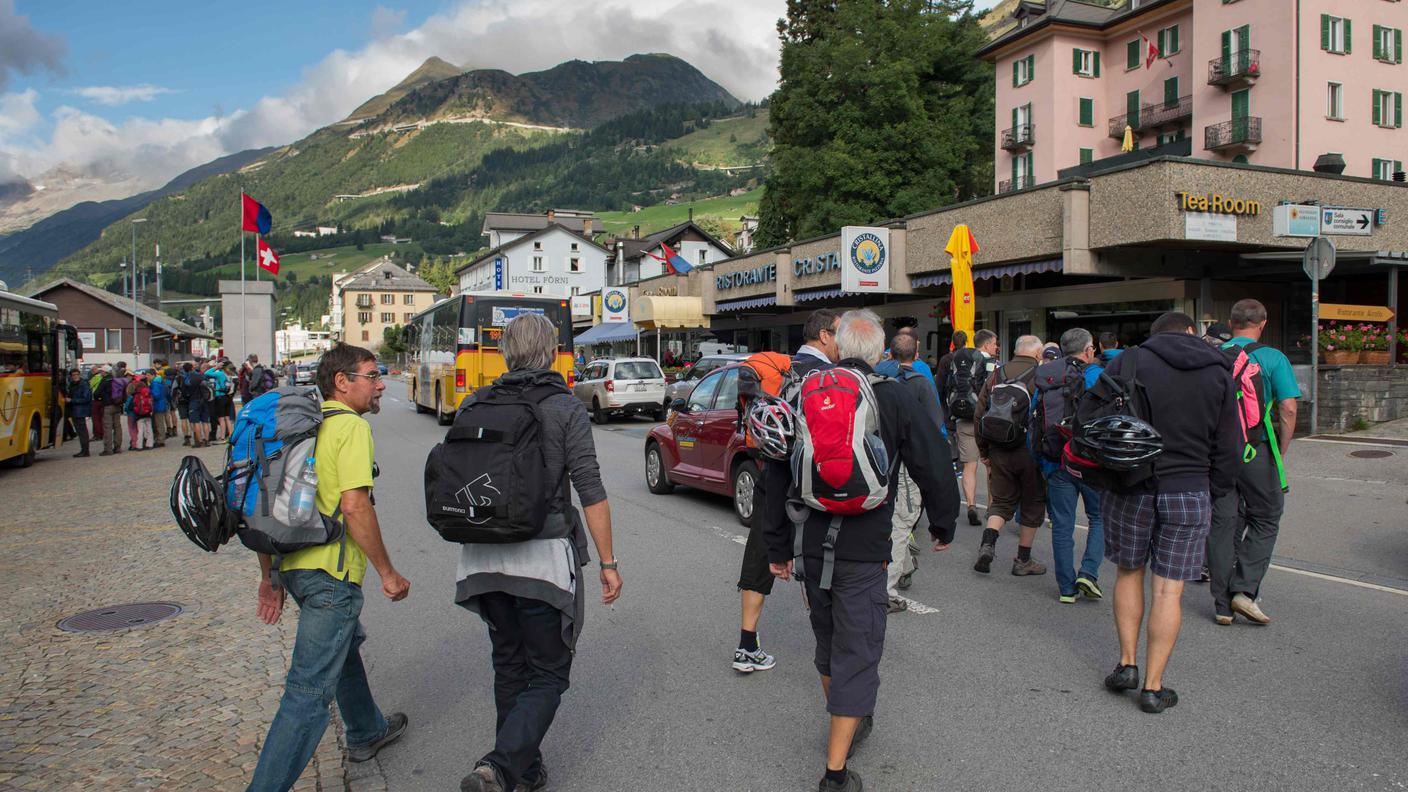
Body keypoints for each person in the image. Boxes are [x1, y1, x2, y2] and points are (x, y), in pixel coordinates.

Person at [764, 309, 958, 792]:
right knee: (859, 652)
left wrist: (776, 546)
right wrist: (944, 523)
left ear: (837, 346)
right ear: (881, 353)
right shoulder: (893, 396)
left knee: (829, 644)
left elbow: (776, 475)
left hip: (810, 544)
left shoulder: (803, 392)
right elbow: (933, 462)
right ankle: (835, 771)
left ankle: (848, 721)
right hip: (865, 549)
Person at [456, 314, 622, 792]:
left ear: (505, 353)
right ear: (551, 352)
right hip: (542, 559)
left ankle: (521, 773)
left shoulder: (474, 401)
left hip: (482, 557)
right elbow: (590, 488)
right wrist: (608, 563)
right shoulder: (564, 407)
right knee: (549, 673)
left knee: (508, 663)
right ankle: (500, 766)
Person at [247, 344, 411, 791]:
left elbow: (264, 502)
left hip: (295, 566)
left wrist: (271, 577)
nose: (381, 385)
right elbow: (355, 507)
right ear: (343, 382)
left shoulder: (301, 430)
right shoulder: (350, 429)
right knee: (306, 696)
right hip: (331, 576)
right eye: (373, 375)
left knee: (346, 645)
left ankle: (366, 730)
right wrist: (387, 573)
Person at [1101, 311, 1240, 714]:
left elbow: (1093, 424)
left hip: (1132, 485)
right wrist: (1216, 489)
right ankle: (1153, 686)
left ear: (1154, 334)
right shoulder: (1219, 371)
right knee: (1169, 589)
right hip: (1190, 487)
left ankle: (1127, 663)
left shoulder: (1127, 361)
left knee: (1129, 572)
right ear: (1192, 333)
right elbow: (1230, 444)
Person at [733, 309, 839, 673]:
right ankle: (829, 650)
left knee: (761, 556)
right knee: (818, 563)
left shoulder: (783, 369)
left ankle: (747, 644)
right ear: (824, 336)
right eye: (838, 334)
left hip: (772, 477)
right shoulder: (830, 376)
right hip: (813, 484)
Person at [1207, 299, 1300, 626]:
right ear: (1262, 323)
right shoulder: (1273, 357)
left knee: (1223, 521)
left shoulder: (1212, 355)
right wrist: (1281, 452)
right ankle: (1243, 591)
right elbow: (1287, 409)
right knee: (1266, 516)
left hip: (1217, 452)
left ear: (1231, 323)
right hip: (1255, 450)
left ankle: (1221, 605)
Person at [1038, 329, 1104, 603]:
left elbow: (1036, 419)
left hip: (1056, 461)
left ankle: (1066, 588)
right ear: (1088, 351)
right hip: (1090, 462)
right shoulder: (1096, 376)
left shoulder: (1046, 376)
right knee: (1099, 518)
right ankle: (1088, 572)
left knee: (1062, 524)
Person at [972, 335, 1047, 576]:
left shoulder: (997, 374)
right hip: (1029, 452)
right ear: (1037, 354)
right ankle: (1023, 560)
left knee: (1001, 502)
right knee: (1032, 503)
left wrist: (984, 451)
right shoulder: (1042, 375)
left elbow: (979, 414)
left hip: (998, 449)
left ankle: (988, 544)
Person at [883, 332, 946, 612]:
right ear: (917, 356)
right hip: (907, 464)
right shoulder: (920, 383)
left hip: (879, 462)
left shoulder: (878, 379)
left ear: (889, 354)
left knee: (894, 519)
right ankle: (885, 590)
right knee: (902, 522)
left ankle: (905, 566)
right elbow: (934, 426)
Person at [947, 329, 999, 528]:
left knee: (969, 466)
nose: (996, 347)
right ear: (986, 345)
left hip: (963, 418)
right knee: (990, 465)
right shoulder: (992, 364)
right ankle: (992, 507)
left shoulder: (960, 360)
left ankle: (970, 505)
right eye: (994, 343)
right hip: (987, 420)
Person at [96, 363, 129, 456]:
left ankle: (108, 449)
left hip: (107, 406)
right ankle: (118, 447)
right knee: (117, 427)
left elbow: (96, 393)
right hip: (118, 405)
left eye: (101, 371)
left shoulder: (105, 381)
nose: (100, 373)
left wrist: (100, 398)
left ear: (105, 372)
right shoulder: (117, 380)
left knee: (108, 428)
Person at [934, 330, 967, 421]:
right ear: (966, 343)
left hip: (951, 405)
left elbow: (939, 386)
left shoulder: (946, 359)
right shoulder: (971, 358)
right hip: (969, 402)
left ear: (952, 342)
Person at [66, 368, 92, 457]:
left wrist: (72, 400)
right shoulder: (73, 384)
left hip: (80, 411)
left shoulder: (83, 384)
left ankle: (85, 450)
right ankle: (84, 450)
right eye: (73, 375)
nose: (75, 376)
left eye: (76, 374)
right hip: (76, 410)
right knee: (81, 431)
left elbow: (86, 398)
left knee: (82, 431)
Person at [186, 363, 211, 448]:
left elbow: (186, 391)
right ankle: (207, 440)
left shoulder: (189, 378)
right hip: (204, 400)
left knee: (195, 422)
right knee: (205, 422)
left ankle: (199, 441)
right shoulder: (202, 377)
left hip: (194, 400)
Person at [150, 368, 169, 448]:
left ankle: (160, 440)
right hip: (162, 404)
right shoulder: (161, 382)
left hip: (158, 405)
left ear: (153, 375)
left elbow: (156, 395)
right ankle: (160, 439)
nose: (147, 377)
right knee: (159, 423)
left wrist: (149, 394)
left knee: (159, 423)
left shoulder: (155, 384)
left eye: (148, 375)